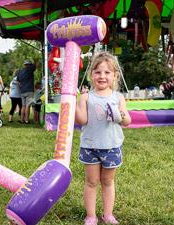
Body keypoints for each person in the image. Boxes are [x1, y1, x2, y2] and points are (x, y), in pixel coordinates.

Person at [75, 52, 132, 225]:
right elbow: (82, 120)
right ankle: (91, 215)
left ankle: (108, 214)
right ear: (91, 75)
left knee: (107, 181)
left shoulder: (118, 97)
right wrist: (74, 103)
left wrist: (121, 114)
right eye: (98, 72)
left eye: (107, 72)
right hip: (90, 146)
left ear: (115, 75)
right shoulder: (86, 97)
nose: (102, 76)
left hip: (111, 146)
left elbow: (127, 122)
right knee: (91, 182)